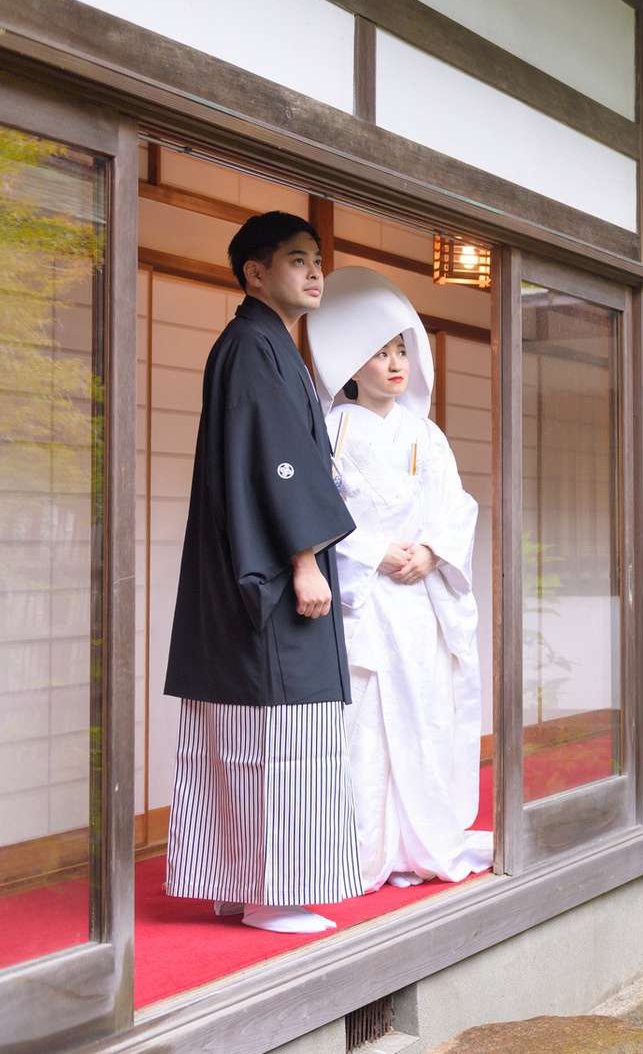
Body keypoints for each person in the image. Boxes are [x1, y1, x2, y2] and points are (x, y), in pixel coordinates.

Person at [163, 211, 361, 935]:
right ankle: (273, 892)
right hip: (272, 574)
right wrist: (305, 560)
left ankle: (233, 880)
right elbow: (274, 461)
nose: (314, 272)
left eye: (318, 260)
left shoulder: (259, 342)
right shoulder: (253, 344)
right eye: (297, 259)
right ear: (254, 272)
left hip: (244, 568)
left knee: (236, 733)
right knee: (280, 735)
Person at [308, 266, 491, 893]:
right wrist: (377, 551)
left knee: (425, 716)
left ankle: (420, 844)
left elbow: (456, 506)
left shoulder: (426, 435)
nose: (393, 365)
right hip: (365, 598)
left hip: (417, 600)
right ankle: (358, 850)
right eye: (380, 354)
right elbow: (318, 512)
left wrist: (434, 552)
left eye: (401, 352)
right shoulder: (330, 431)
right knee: (361, 727)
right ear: (352, 365)